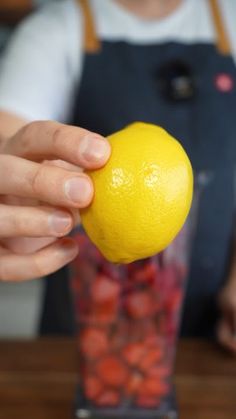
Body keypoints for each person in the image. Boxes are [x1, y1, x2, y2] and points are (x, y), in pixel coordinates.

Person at [0, 0, 236, 352]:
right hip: (86, 329)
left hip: (211, 332)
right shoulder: (53, 31)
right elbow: (10, 145)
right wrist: (16, 204)